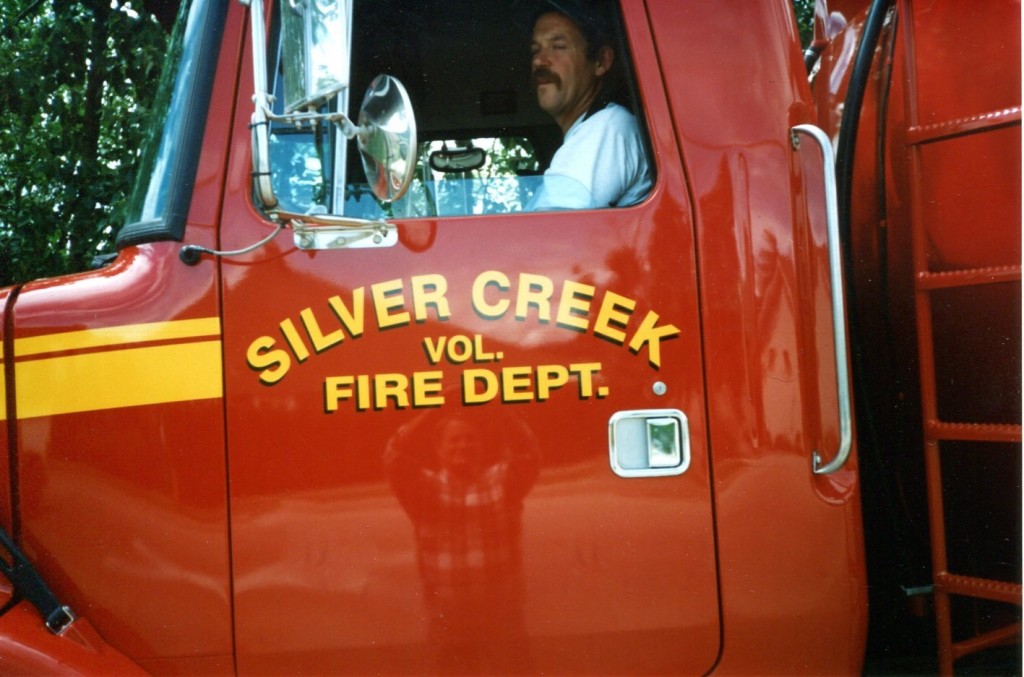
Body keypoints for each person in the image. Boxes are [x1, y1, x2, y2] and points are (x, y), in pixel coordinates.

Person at [526, 1, 652, 211]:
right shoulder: (589, 130)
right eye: (535, 50)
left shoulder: (608, 126)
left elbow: (546, 230)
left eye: (558, 47)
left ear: (601, 61)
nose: (539, 61)